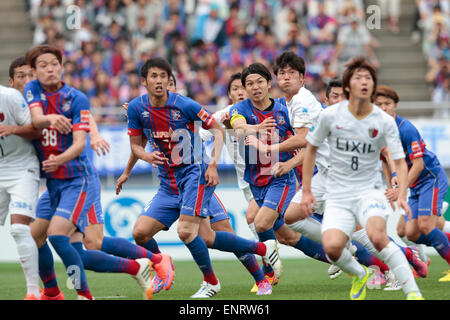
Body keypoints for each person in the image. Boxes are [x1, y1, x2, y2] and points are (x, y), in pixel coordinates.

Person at [126, 57, 281, 298]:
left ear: (171, 83)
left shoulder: (186, 106)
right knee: (143, 233)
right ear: (144, 81)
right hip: (169, 185)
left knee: (198, 232)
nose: (161, 83)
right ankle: (261, 248)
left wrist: (213, 167)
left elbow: (216, 130)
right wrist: (135, 165)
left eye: (165, 78)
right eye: (154, 77)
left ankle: (242, 280)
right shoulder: (138, 109)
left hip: (195, 177)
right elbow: (136, 145)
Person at [24, 45, 154, 300]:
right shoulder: (32, 92)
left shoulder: (77, 98)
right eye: (43, 65)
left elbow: (79, 143)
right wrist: (48, 120)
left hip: (78, 180)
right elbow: (37, 119)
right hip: (54, 184)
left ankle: (87, 293)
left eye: (54, 63)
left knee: (67, 237)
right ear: (33, 71)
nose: (49, 68)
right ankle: (55, 290)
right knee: (38, 236)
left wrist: (63, 154)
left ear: (61, 67)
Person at [299, 57, 423, 300]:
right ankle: (358, 273)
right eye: (358, 78)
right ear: (348, 86)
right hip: (337, 193)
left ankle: (413, 293)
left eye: (369, 78)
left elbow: (398, 160)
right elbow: (310, 150)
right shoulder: (329, 117)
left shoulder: (384, 121)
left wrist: (402, 191)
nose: (364, 82)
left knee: (378, 236)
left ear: (373, 86)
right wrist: (306, 191)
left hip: (369, 190)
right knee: (333, 248)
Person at [374, 84, 450, 283]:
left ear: (395, 106)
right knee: (409, 233)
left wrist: (400, 189)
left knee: (425, 225)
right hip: (413, 184)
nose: (383, 108)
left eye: (387, 104)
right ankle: (444, 240)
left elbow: (419, 163)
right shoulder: (376, 132)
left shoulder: (405, 129)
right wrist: (391, 186)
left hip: (429, 178)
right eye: (378, 104)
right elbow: (384, 160)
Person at [0, 58, 43, 300]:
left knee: (19, 228)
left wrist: (13, 129)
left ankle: (32, 293)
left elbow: (36, 130)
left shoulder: (10, 97)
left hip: (22, 168)